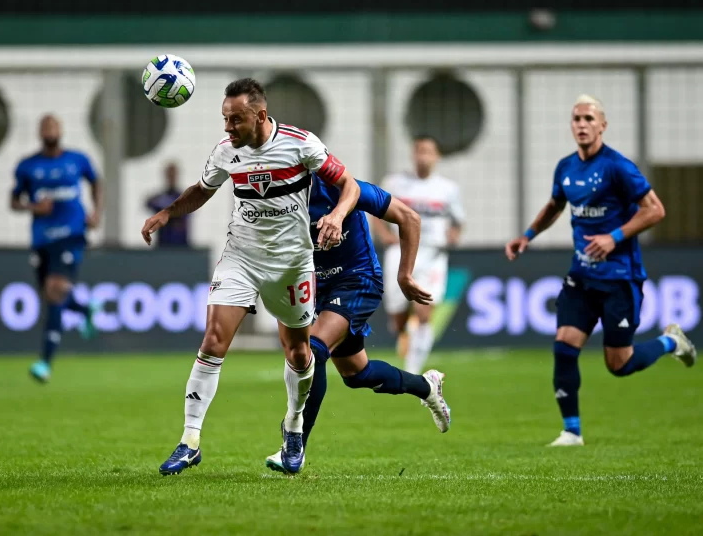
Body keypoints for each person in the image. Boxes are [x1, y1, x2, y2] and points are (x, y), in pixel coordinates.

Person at [141, 78, 360, 475]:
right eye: (225, 119)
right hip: (240, 258)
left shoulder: (301, 144)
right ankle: (189, 440)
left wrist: (337, 215)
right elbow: (201, 189)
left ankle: (293, 427)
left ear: (260, 115)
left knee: (297, 352)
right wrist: (168, 213)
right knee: (212, 340)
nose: (228, 128)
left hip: (292, 263)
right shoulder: (227, 152)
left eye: (235, 120)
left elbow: (349, 184)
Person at [504, 94, 697, 447]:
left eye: (589, 119)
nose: (581, 124)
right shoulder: (565, 167)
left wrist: (614, 237)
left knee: (619, 364)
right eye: (576, 118)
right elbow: (555, 205)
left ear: (602, 125)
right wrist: (527, 235)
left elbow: (655, 210)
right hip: (582, 277)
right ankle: (571, 431)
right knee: (564, 346)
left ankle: (672, 342)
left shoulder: (618, 167)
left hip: (620, 279)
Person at [265, 175, 451, 474]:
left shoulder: (346, 188)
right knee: (356, 374)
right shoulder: (274, 199)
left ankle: (294, 445)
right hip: (315, 289)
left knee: (314, 349)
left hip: (357, 280)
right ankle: (426, 386)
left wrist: (404, 275)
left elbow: (409, 218)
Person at [10, 114, 103, 383]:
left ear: (61, 131)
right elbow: (14, 201)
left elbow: (96, 182)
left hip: (72, 233)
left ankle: (45, 363)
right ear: (40, 132)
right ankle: (85, 309)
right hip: (42, 239)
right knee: (52, 294)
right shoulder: (28, 166)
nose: (50, 129)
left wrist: (96, 212)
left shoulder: (77, 160)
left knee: (54, 288)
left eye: (54, 125)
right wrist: (32, 207)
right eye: (45, 126)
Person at [372, 136, 465, 374]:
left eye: (428, 151)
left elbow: (458, 221)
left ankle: (413, 370)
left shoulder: (448, 189)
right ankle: (404, 335)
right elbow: (376, 213)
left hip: (433, 254)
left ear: (437, 156)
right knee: (398, 317)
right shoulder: (395, 183)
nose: (423, 156)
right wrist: (385, 235)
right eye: (419, 151)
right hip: (400, 252)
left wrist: (453, 235)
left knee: (425, 310)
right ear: (413, 155)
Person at [145, 162, 190, 247]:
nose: (171, 177)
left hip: (182, 246)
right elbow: (148, 203)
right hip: (163, 245)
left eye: (173, 174)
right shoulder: (160, 198)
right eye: (169, 174)